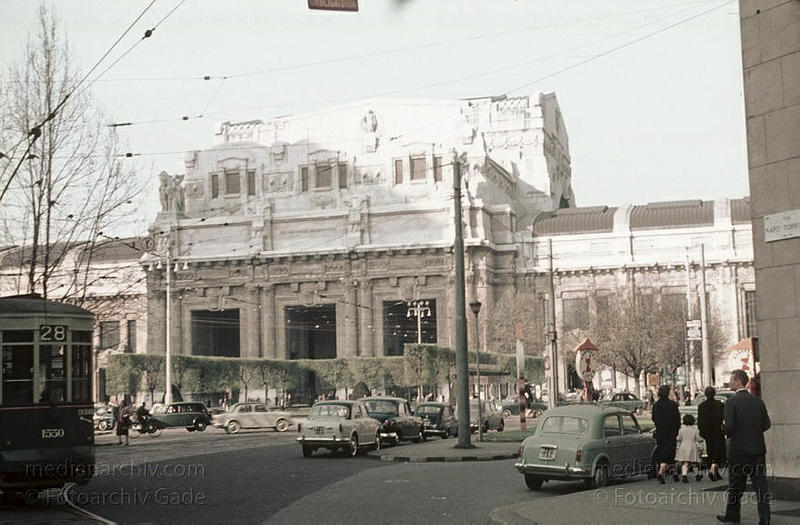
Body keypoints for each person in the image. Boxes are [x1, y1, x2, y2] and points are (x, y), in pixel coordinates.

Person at [717, 369, 771, 525]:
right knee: (761, 486)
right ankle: (765, 518)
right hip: (757, 449)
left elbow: (730, 426)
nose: (730, 382)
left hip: (738, 450)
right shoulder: (758, 401)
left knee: (735, 485)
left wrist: (725, 429)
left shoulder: (731, 402)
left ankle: (733, 515)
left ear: (738, 381)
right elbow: (766, 424)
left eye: (731, 379)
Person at [652, 384, 681, 484]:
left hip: (661, 432)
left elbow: (654, 419)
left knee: (663, 452)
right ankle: (665, 472)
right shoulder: (673, 405)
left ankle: (671, 473)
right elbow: (677, 420)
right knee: (671, 454)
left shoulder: (656, 405)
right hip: (671, 432)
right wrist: (676, 430)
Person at [698, 386, 726, 481]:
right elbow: (723, 417)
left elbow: (700, 421)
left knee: (710, 452)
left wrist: (701, 431)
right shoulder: (719, 405)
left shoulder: (702, 406)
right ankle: (713, 470)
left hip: (707, 432)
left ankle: (714, 471)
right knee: (719, 452)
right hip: (718, 431)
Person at [675, 414, 703, 482]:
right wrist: (702, 440)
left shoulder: (681, 429)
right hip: (692, 447)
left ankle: (684, 475)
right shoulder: (695, 430)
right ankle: (697, 475)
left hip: (683, 447)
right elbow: (698, 439)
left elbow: (678, 438)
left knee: (685, 462)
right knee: (694, 463)